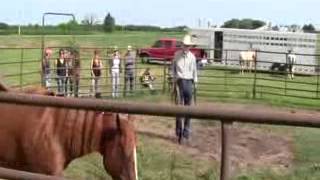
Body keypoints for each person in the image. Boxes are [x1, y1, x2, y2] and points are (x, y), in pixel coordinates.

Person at [172, 34, 198, 143]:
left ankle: (186, 132)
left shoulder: (192, 57)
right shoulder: (176, 55)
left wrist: (195, 83)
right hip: (179, 82)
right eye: (185, 45)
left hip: (189, 82)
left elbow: (194, 71)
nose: (186, 47)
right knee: (178, 108)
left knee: (188, 109)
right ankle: (179, 132)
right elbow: (173, 68)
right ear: (182, 45)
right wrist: (174, 80)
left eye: (188, 45)